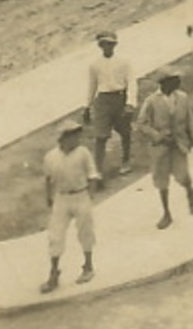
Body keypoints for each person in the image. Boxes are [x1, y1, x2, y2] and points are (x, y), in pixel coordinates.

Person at [135, 70, 193, 230]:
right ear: (164, 83)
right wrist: (158, 135)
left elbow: (190, 121)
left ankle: (190, 191)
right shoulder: (151, 101)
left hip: (178, 145)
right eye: (174, 80)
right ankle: (166, 213)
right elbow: (141, 124)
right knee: (162, 181)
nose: (178, 82)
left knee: (183, 175)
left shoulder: (182, 98)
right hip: (160, 148)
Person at [39, 123, 99, 292]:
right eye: (72, 135)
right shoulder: (51, 157)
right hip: (61, 198)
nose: (76, 138)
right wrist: (49, 198)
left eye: (77, 135)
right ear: (63, 138)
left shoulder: (83, 153)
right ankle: (53, 273)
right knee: (55, 235)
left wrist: (90, 197)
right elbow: (48, 179)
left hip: (80, 195)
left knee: (85, 232)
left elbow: (92, 175)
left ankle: (88, 266)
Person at [85, 31, 134, 182]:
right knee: (100, 136)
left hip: (120, 98)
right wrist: (87, 106)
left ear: (115, 45)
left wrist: (130, 103)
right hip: (103, 100)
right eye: (105, 44)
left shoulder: (124, 61)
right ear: (100, 45)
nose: (108, 47)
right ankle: (97, 171)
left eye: (111, 44)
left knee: (125, 132)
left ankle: (125, 160)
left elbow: (132, 82)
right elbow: (92, 85)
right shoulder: (94, 64)